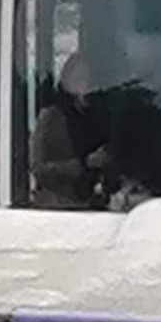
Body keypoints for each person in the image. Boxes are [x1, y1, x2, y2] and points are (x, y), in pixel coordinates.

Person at [29, 51, 108, 209]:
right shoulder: (51, 117)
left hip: (92, 202)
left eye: (87, 78)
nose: (82, 83)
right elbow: (37, 167)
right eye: (77, 78)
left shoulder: (97, 115)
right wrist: (81, 164)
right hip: (59, 205)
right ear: (66, 80)